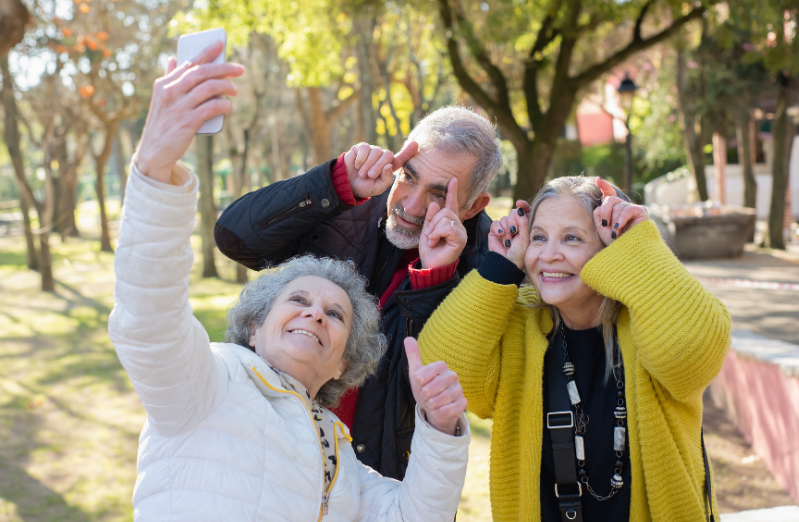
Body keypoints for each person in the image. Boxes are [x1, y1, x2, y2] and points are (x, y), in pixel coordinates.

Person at [109, 41, 471, 521]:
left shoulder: (340, 458)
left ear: (345, 362)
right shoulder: (208, 385)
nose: (315, 312)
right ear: (254, 327)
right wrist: (155, 171)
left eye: (335, 314)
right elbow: (147, 321)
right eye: (297, 298)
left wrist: (440, 430)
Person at [418, 176, 731, 521]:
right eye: (538, 237)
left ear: (611, 247)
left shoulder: (651, 317)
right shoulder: (519, 322)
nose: (549, 255)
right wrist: (499, 267)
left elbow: (689, 356)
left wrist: (640, 246)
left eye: (571, 238)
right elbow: (441, 371)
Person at [214, 104, 502, 479]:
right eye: (409, 177)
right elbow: (235, 239)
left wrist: (435, 276)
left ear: (473, 206)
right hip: (279, 456)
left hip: (381, 483)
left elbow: (429, 385)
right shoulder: (348, 203)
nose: (411, 205)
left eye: (436, 194)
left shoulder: (487, 266)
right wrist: (333, 182)